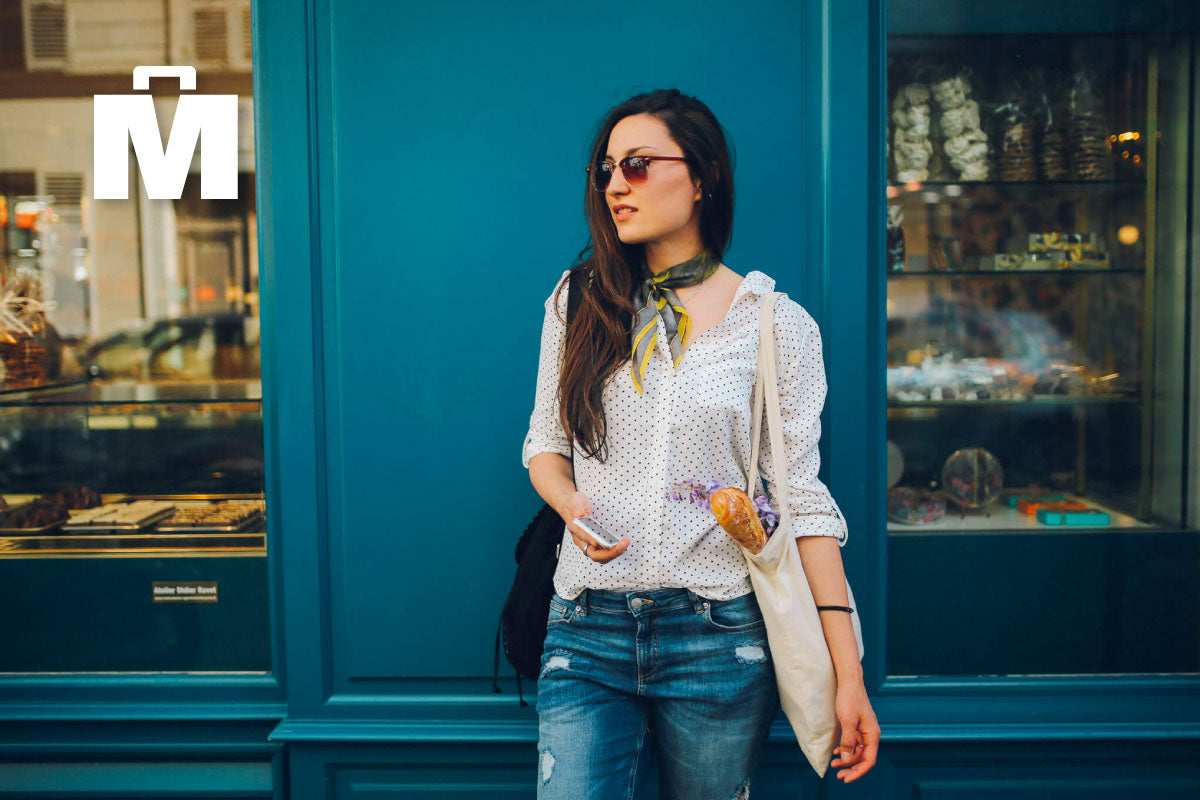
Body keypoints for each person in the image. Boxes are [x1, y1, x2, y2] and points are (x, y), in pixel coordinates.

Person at [521, 88, 880, 799]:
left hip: (716, 634)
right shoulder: (579, 300)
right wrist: (571, 506)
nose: (616, 184)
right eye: (606, 170)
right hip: (586, 626)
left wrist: (849, 676)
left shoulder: (774, 325)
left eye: (639, 164)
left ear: (704, 176)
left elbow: (800, 501)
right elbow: (544, 442)